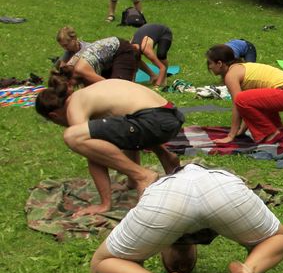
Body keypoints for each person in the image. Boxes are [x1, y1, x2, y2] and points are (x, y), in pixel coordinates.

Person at [89, 164, 283, 273]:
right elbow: (261, 240)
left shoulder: (161, 186)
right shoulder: (208, 173)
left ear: (162, 250)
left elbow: (128, 259)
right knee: (272, 239)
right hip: (222, 189)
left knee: (106, 263)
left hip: (167, 200)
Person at [34, 79, 183, 217]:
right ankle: (166, 157)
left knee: (73, 136)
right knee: (121, 126)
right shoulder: (89, 92)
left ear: (54, 116)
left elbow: (93, 153)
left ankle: (142, 176)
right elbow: (125, 130)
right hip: (170, 116)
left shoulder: (74, 106)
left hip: (152, 120)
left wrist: (104, 204)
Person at [206, 44, 283, 143]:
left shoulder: (231, 75)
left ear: (219, 63)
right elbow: (248, 107)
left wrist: (230, 136)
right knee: (248, 99)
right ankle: (277, 129)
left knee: (240, 99)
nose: (209, 67)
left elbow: (238, 105)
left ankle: (271, 133)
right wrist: (241, 130)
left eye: (210, 63)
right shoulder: (240, 68)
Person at [59, 36, 138, 86]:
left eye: (70, 85)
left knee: (120, 86)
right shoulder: (70, 67)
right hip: (105, 61)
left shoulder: (81, 70)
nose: (71, 87)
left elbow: (108, 85)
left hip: (121, 50)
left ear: (70, 80)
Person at [130, 23, 173, 87]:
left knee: (161, 55)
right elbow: (134, 66)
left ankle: (164, 78)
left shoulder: (146, 50)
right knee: (135, 60)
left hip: (164, 33)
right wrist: (132, 83)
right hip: (148, 31)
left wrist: (157, 86)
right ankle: (153, 76)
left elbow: (162, 68)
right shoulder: (129, 46)